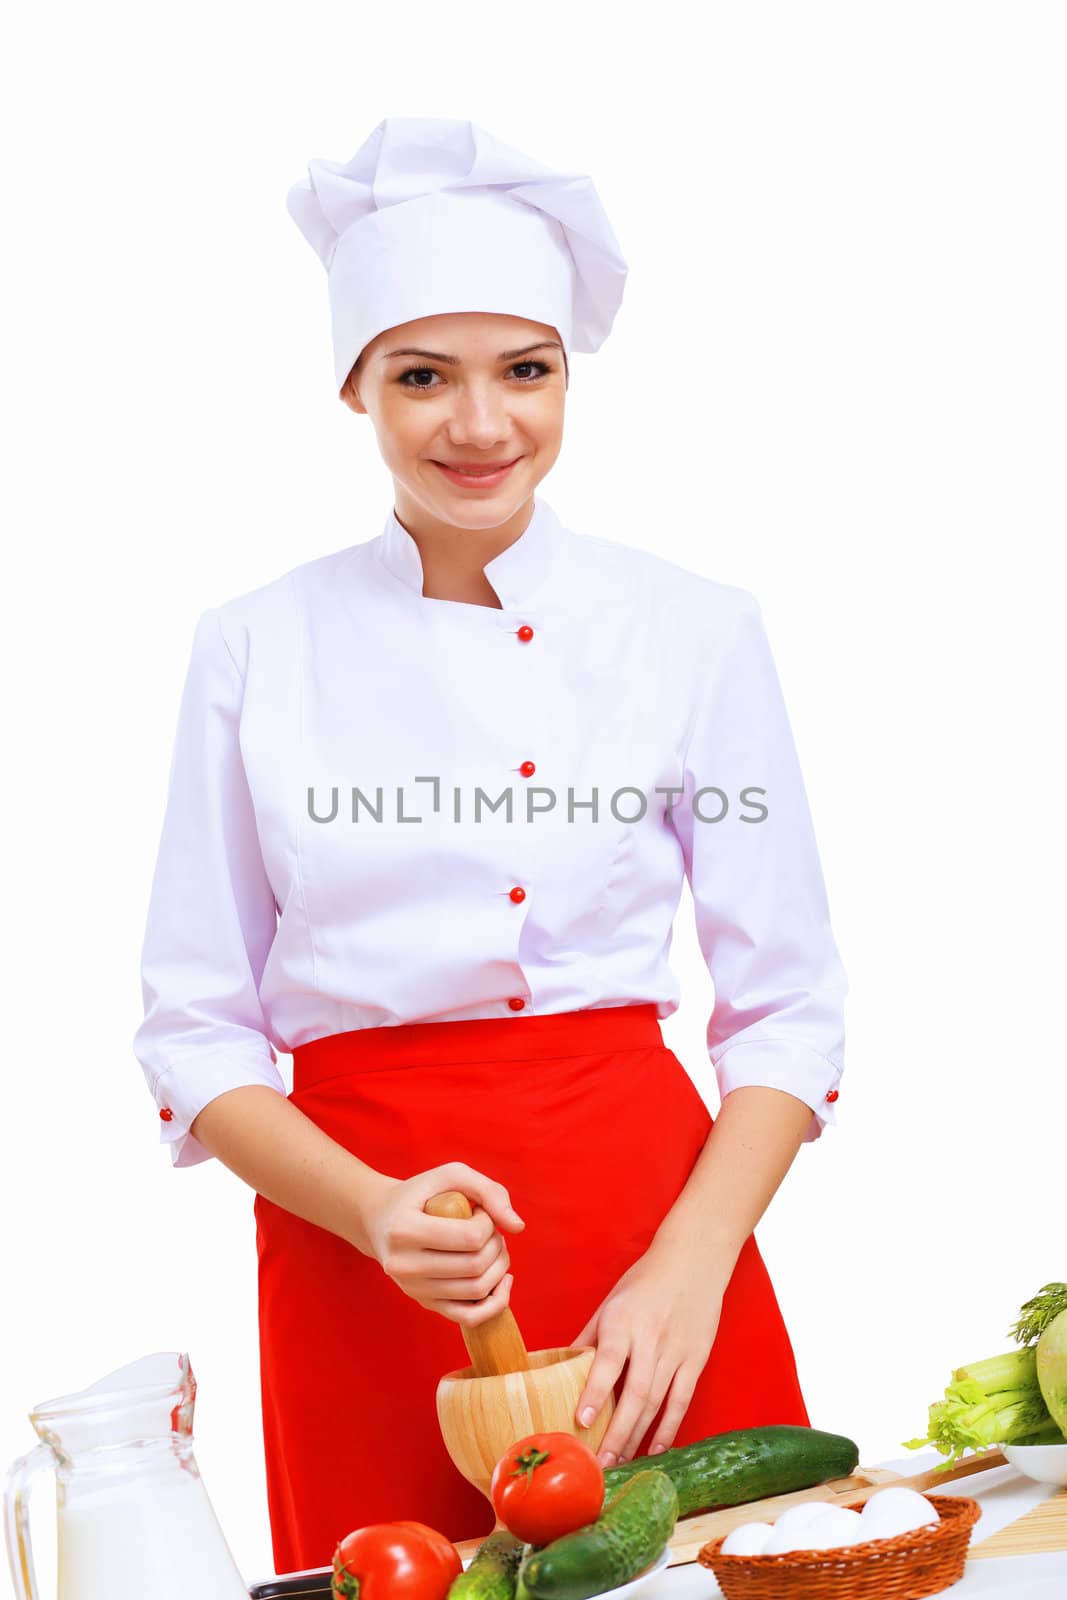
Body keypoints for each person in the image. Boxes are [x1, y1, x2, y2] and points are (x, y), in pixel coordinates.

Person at [132, 116, 848, 1576]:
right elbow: (194, 1030)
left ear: (568, 375)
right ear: (354, 387)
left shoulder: (694, 631)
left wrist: (687, 1270)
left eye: (526, 370)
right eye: (422, 376)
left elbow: (790, 1010)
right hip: (359, 1244)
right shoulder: (254, 648)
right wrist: (375, 1213)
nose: (481, 425)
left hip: (645, 1226)